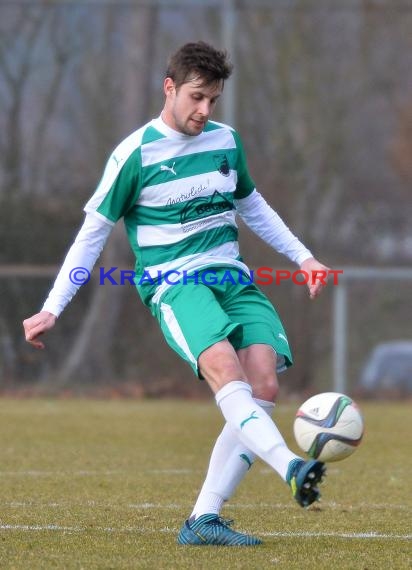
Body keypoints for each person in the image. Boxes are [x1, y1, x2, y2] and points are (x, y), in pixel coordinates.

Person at [23, 41, 330, 546]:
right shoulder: (135, 154)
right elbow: (92, 234)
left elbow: (253, 207)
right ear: (169, 88)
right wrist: (53, 306)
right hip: (174, 283)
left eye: (213, 100)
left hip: (231, 276)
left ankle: (203, 521)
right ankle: (292, 467)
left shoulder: (226, 140)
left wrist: (304, 258)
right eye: (196, 97)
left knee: (265, 384)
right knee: (225, 369)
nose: (204, 110)